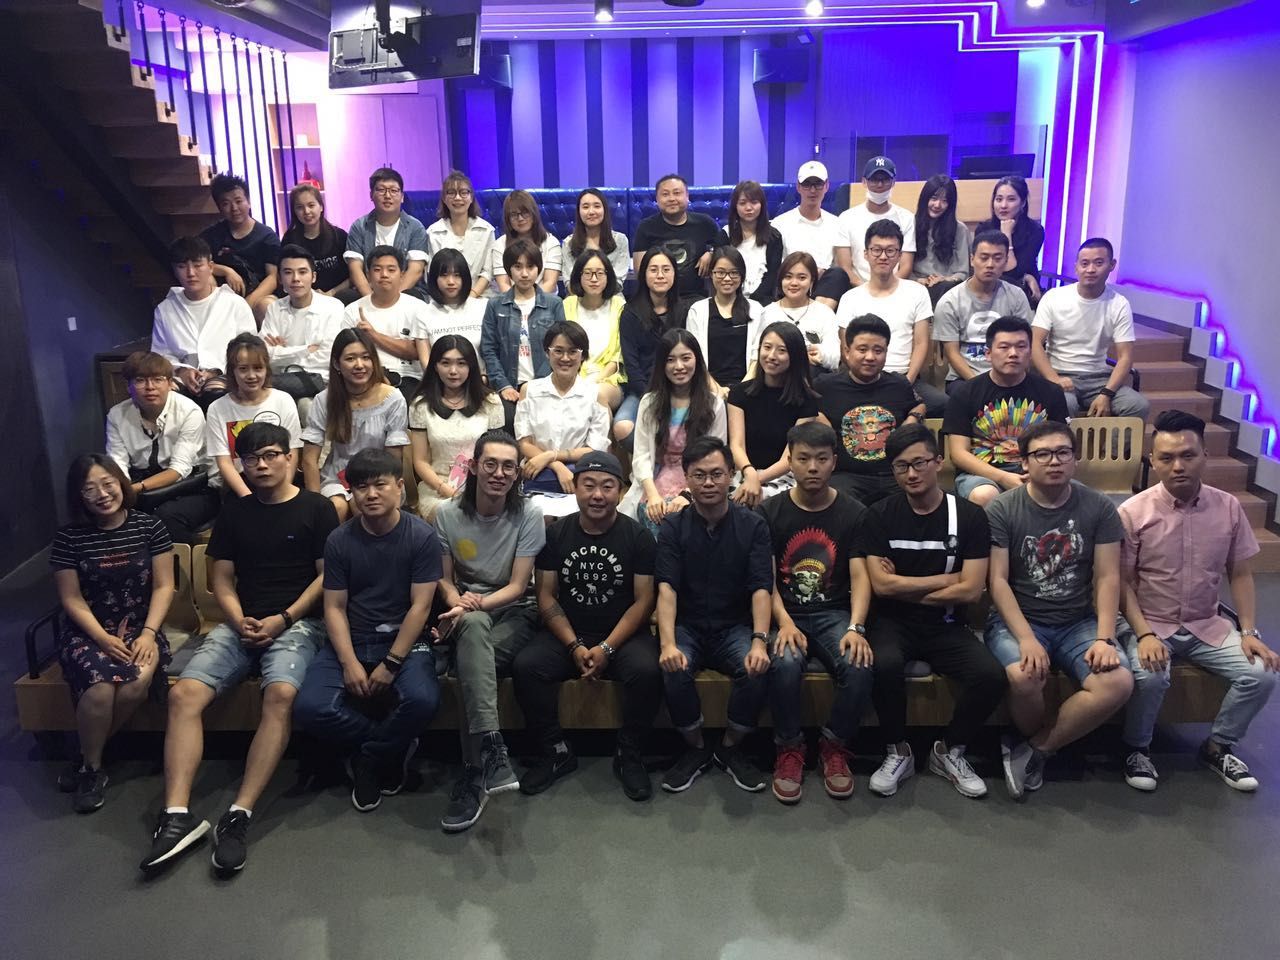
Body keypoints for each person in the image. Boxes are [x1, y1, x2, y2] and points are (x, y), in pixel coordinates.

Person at [139, 423, 337, 874]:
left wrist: (284, 617)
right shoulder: (235, 512)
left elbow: (327, 577)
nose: (262, 465)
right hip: (240, 623)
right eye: (251, 458)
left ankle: (239, 813)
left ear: (289, 458)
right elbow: (222, 579)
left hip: (299, 624)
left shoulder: (317, 508)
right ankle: (176, 815)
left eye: (271, 455)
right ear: (241, 465)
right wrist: (237, 618)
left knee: (281, 694)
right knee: (183, 695)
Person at [1118, 410, 1277, 793]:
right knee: (1150, 675)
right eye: (1167, 458)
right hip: (1150, 621)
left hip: (1207, 622)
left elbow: (1240, 573)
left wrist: (1249, 631)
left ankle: (1218, 746)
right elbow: (1120, 583)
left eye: (1188, 455)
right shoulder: (1133, 512)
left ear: (1205, 455)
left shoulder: (1228, 507)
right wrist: (1144, 635)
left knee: (1262, 673)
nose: (1178, 466)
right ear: (1153, 460)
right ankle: (1137, 749)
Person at [984, 420, 1134, 799]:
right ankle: (1033, 747)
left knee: (1117, 682)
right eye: (1043, 454)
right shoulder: (1003, 508)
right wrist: (1026, 638)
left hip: (1077, 621)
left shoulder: (1099, 507)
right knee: (1024, 675)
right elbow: (997, 581)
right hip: (1019, 619)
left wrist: (1105, 638)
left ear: (1075, 459)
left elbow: (1108, 577)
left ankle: (1034, 749)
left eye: (1063, 452)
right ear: (1024, 462)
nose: (1054, 461)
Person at [860, 423, 1007, 799]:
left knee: (990, 676)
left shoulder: (969, 516)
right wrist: (947, 579)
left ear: (938, 462)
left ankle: (949, 751)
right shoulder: (879, 515)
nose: (911, 473)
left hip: (947, 623)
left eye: (919, 463)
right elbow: (881, 587)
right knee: (884, 664)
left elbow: (971, 590)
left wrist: (904, 585)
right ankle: (898, 751)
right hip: (892, 621)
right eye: (901, 466)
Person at [293, 449, 442, 813]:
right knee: (310, 708)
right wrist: (348, 663)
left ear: (399, 486)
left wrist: (392, 663)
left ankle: (368, 759)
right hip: (354, 638)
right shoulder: (339, 540)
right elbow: (334, 607)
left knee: (423, 700)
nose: (371, 494)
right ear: (352, 493)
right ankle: (389, 748)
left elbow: (421, 607)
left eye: (380, 485)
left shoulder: (422, 536)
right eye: (361, 487)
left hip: (404, 641)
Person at [511, 450, 661, 800]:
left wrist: (607, 647)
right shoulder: (556, 534)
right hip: (568, 630)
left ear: (620, 491)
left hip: (622, 633)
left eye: (607, 486)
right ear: (575, 488)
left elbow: (644, 601)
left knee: (648, 671)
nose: (597, 495)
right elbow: (545, 595)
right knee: (527, 666)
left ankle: (629, 752)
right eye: (588, 485)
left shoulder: (638, 537)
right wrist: (573, 645)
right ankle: (555, 751)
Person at [433, 430, 545, 832]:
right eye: (491, 464)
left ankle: (473, 771)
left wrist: (470, 605)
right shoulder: (446, 513)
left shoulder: (528, 514)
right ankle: (492, 751)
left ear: (517, 474)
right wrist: (458, 602)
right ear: (474, 466)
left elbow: (518, 586)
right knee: (474, 638)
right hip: (467, 613)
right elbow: (444, 580)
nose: (499, 473)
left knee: (470, 662)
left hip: (514, 611)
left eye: (508, 467)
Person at [51, 455, 174, 814]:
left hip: (142, 628)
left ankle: (83, 754)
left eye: (108, 484)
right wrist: (102, 639)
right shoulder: (68, 538)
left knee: (135, 683)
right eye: (90, 489)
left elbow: (164, 586)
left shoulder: (150, 527)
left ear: (121, 483)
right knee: (101, 687)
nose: (102, 494)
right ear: (79, 496)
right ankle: (93, 769)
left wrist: (148, 633)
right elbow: (71, 598)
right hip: (88, 632)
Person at [761, 422, 873, 804]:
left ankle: (834, 745)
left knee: (858, 663)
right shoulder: (770, 511)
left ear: (834, 462)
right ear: (789, 461)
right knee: (785, 662)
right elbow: (765, 580)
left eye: (821, 459)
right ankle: (789, 748)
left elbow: (860, 575)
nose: (812, 467)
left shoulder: (854, 512)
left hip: (832, 613)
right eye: (803, 458)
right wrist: (784, 623)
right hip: (785, 613)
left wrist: (856, 627)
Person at [656, 436, 772, 794]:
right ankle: (695, 748)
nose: (709, 483)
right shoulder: (673, 527)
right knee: (672, 666)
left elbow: (761, 588)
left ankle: (730, 747)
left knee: (756, 667)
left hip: (733, 626)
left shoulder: (753, 525)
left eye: (717, 474)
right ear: (686, 478)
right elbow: (666, 589)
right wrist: (668, 643)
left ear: (732, 475)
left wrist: (759, 641)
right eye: (699, 475)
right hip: (688, 625)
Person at [942, 316, 1069, 508]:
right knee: (985, 495)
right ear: (988, 354)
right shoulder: (965, 393)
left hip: (1039, 470)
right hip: (981, 474)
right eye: (1004, 347)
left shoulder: (1051, 392)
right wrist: (1003, 477)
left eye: (1021, 346)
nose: (1013, 353)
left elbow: (1060, 445)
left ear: (1031, 352)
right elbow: (959, 453)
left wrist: (1037, 474)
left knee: (1070, 493)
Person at [105, 350, 218, 544]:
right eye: (140, 380)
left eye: (158, 379)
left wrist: (135, 489)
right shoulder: (117, 415)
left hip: (191, 486)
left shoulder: (189, 411)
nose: (150, 387)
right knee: (108, 513)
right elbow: (118, 463)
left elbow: (179, 470)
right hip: (139, 485)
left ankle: (184, 563)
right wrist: (122, 490)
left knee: (166, 517)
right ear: (128, 386)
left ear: (170, 383)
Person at [1032, 238, 1150, 420]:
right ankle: (1066, 441)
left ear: (1112, 265)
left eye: (1099, 263)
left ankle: (1105, 442)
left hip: (1099, 378)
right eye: (1084, 263)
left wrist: (1106, 393)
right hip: (1059, 373)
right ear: (1076, 267)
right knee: (1065, 404)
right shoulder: (1054, 297)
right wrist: (1054, 379)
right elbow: (1034, 343)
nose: (1091, 269)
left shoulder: (1119, 304)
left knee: (1137, 406)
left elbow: (1125, 357)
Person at [835, 219, 944, 416]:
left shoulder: (917, 292)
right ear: (866, 254)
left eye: (890, 251)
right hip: (861, 380)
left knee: (945, 404)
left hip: (905, 378)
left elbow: (921, 344)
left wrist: (906, 383)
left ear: (900, 255)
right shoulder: (850, 298)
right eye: (877, 250)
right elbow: (845, 349)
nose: (883, 256)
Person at [621, 329, 727, 531]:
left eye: (686, 358)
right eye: (670, 360)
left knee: (689, 521)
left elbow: (716, 457)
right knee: (654, 517)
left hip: (700, 480)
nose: (679, 366)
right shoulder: (649, 402)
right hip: (656, 479)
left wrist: (688, 494)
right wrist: (652, 494)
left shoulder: (714, 404)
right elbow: (641, 455)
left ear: (697, 360)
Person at [300, 328, 410, 523]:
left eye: (366, 357)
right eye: (350, 359)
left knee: (364, 509)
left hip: (379, 477)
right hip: (337, 476)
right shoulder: (324, 400)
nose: (359, 365)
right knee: (335, 508)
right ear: (337, 364)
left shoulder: (393, 398)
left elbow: (394, 458)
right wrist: (314, 504)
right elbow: (309, 459)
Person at [815, 315, 926, 505]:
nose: (870, 357)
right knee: (839, 503)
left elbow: (919, 404)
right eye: (862, 349)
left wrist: (913, 418)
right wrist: (817, 417)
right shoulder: (825, 386)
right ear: (847, 351)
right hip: (847, 476)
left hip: (894, 474)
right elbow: (801, 408)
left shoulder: (898, 384)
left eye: (878, 350)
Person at [514, 321, 611, 518]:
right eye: (558, 351)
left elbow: (594, 449)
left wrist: (552, 455)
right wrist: (556, 465)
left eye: (573, 351)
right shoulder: (529, 390)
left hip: (579, 475)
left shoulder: (595, 394)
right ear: (547, 353)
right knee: (537, 518)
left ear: (583, 355)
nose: (565, 358)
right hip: (537, 471)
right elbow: (524, 443)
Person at [150, 235, 256, 409]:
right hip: (182, 377)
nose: (191, 273)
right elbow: (161, 354)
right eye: (182, 267)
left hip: (227, 374)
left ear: (210, 267)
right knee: (167, 397)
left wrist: (216, 371)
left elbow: (250, 348)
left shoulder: (234, 303)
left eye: (198, 265)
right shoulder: (165, 309)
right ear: (174, 270)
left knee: (215, 392)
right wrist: (182, 370)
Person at [408, 335, 504, 521]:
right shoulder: (421, 405)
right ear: (435, 366)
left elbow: (498, 453)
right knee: (451, 514)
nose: (453, 371)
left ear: (471, 366)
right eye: (445, 363)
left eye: (461, 363)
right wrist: (446, 490)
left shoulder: (490, 402)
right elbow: (420, 461)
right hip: (438, 487)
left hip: (483, 484)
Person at [727, 322, 819, 507]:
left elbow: (789, 458)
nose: (771, 356)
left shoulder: (806, 400)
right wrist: (750, 474)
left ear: (795, 356)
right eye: (767, 347)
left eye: (781, 350)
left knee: (765, 501)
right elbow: (736, 445)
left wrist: (757, 480)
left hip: (784, 476)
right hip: (743, 471)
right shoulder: (738, 393)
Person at [480, 237, 568, 431]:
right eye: (518, 267)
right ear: (509, 270)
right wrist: (503, 385)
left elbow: (561, 349)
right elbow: (489, 349)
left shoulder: (554, 304)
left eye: (530, 266)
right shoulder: (495, 305)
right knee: (506, 421)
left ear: (539, 268)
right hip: (509, 387)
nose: (525, 273)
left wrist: (542, 386)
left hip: (546, 385)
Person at [204, 333, 302, 499]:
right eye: (243, 369)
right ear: (232, 371)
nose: (251, 376)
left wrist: (282, 493)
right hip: (240, 484)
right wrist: (248, 500)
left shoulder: (283, 400)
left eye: (258, 368)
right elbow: (224, 462)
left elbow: (292, 451)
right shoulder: (217, 408)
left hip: (281, 481)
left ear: (266, 369)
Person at [935, 230, 1034, 387]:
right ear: (972, 259)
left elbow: (1025, 343)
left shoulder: (1016, 296)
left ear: (1006, 261)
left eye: (997, 258)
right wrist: (981, 385)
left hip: (1009, 375)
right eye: (984, 258)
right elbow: (952, 353)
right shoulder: (950, 302)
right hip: (965, 378)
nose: (990, 265)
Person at [259, 244, 347, 401]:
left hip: (321, 384)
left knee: (305, 404)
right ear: (280, 278)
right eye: (288, 272)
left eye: (302, 272)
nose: (295, 279)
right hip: (282, 384)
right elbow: (264, 356)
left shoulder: (333, 308)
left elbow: (328, 358)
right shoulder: (275, 309)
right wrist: (306, 350)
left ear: (313, 277)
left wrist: (282, 351)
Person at [616, 246, 684, 446]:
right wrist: (652, 397)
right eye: (653, 270)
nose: (660, 275)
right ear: (644, 274)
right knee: (622, 426)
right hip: (643, 391)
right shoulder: (630, 313)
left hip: (681, 389)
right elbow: (632, 365)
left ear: (674, 274)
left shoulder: (686, 310)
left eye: (666, 269)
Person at [343, 245, 427, 404]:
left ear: (402, 275)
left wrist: (372, 335)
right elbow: (346, 355)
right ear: (368, 275)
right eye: (377, 269)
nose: (384, 275)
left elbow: (416, 352)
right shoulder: (352, 311)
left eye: (391, 269)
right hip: (366, 378)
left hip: (409, 378)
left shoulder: (419, 308)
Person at [200, 173, 281, 322]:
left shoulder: (266, 236)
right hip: (223, 297)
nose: (234, 208)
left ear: (248, 202)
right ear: (219, 207)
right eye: (226, 203)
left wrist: (245, 305)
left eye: (238, 201)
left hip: (257, 296)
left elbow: (273, 277)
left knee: (267, 306)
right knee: (207, 277)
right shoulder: (211, 235)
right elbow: (198, 263)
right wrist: (226, 271)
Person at [683, 246, 765, 392]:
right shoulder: (698, 310)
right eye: (720, 272)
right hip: (707, 389)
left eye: (734, 273)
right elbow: (695, 357)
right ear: (711, 274)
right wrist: (718, 390)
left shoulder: (756, 310)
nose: (727, 278)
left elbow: (757, 356)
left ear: (742, 275)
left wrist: (739, 392)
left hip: (747, 389)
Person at [343, 166, 430, 300]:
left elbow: (415, 270)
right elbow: (355, 268)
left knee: (414, 295)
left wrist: (392, 301)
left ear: (402, 197)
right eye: (381, 190)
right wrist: (371, 300)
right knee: (346, 297)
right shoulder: (359, 227)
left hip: (404, 293)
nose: (388, 196)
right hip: (370, 290)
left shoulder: (415, 228)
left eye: (394, 191)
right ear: (371, 195)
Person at [631, 173, 719, 300]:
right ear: (657, 199)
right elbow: (640, 271)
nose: (671, 198)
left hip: (695, 297)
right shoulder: (646, 227)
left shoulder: (705, 223)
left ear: (687, 196)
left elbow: (724, 251)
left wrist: (711, 253)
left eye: (677, 193)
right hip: (659, 298)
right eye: (665, 194)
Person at [772, 160, 847, 308]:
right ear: (798, 187)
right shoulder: (780, 223)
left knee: (838, 274)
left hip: (825, 286)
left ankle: (814, 316)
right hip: (792, 283)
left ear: (827, 186)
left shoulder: (837, 224)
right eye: (807, 184)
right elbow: (776, 266)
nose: (812, 190)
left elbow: (839, 264)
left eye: (818, 184)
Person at [834, 156, 916, 289]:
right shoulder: (846, 218)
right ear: (864, 181)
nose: (879, 185)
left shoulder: (907, 218)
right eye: (874, 179)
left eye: (885, 180)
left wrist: (888, 289)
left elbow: (906, 266)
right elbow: (844, 266)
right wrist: (867, 290)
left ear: (893, 182)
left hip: (895, 289)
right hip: (856, 288)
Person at [562, 249, 626, 410]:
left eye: (600, 273)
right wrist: (578, 381)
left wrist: (594, 382)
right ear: (578, 275)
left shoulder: (619, 306)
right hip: (571, 377)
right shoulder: (566, 305)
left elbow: (617, 357)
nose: (594, 279)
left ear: (608, 276)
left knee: (596, 396)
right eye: (588, 273)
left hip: (608, 380)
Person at [756, 251, 841, 373]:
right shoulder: (767, 313)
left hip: (813, 375)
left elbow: (835, 356)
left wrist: (820, 353)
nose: (794, 283)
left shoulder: (824, 313)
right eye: (788, 277)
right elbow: (757, 352)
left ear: (812, 281)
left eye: (802, 278)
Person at [425, 170, 494, 299]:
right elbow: (432, 273)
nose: (457, 198)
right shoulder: (433, 232)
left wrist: (471, 297)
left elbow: (487, 272)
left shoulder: (486, 230)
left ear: (471, 197)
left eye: (463, 192)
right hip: (444, 298)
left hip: (480, 296)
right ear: (444, 198)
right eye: (451, 193)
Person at [977, 174, 1044, 305]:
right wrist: (1026, 276)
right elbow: (986, 268)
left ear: (1023, 202)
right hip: (989, 286)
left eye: (1011, 199)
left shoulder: (1035, 230)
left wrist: (1006, 234)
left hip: (1023, 291)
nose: (1003, 205)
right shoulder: (984, 229)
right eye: (999, 199)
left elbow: (1013, 272)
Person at [715, 180, 784, 306]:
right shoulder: (725, 235)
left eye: (754, 202)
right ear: (735, 206)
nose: (748, 208)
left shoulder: (774, 237)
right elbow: (720, 273)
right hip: (729, 298)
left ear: (762, 205)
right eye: (742, 203)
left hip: (763, 300)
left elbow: (772, 275)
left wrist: (754, 301)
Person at [281, 183, 351, 300]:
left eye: (311, 205)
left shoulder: (339, 236)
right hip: (302, 298)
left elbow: (352, 275)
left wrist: (331, 293)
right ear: (294, 211)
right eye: (300, 207)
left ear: (321, 207)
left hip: (337, 296)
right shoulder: (289, 240)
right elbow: (285, 276)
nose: (306, 211)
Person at [413, 248, 488, 356]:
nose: (451, 282)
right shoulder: (423, 314)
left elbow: (493, 352)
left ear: (465, 277)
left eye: (457, 275)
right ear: (434, 278)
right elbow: (426, 360)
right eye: (444, 275)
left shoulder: (483, 307)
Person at [910, 173, 971, 305]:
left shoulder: (960, 229)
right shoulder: (910, 225)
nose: (938, 205)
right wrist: (916, 280)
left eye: (944, 201)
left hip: (948, 287)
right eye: (934, 198)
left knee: (946, 290)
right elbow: (902, 267)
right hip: (917, 285)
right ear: (925, 199)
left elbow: (964, 272)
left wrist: (945, 279)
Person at [491, 189, 562, 295]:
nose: (520, 218)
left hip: (544, 300)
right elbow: (504, 285)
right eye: (514, 214)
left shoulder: (551, 242)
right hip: (510, 301)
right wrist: (518, 302)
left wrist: (530, 301)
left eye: (525, 213)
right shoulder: (499, 245)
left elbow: (549, 284)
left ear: (534, 214)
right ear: (508, 219)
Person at [561, 187, 630, 286]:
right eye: (585, 207)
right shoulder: (568, 243)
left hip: (612, 294)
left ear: (604, 210)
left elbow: (617, 281)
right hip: (577, 294)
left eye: (597, 206)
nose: (591, 212)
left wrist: (597, 293)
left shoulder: (620, 240)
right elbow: (570, 282)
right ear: (579, 212)